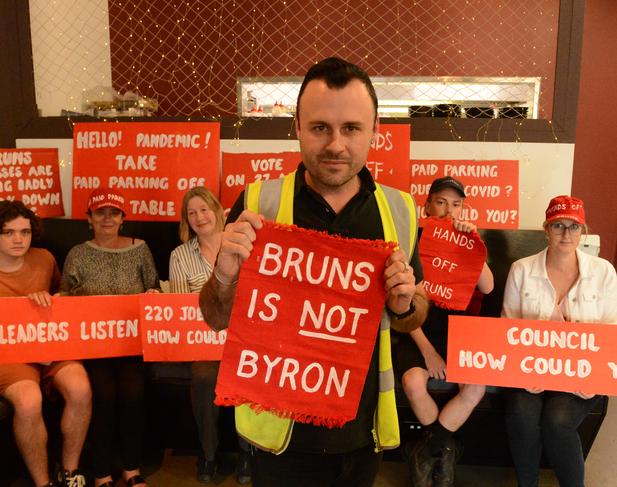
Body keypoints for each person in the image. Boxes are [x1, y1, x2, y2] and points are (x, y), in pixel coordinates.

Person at [198, 57, 429, 487]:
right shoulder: (256, 204)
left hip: (363, 435)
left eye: (352, 128)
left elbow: (415, 311)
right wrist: (226, 277)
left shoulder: (400, 210)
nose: (336, 144)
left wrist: (404, 304)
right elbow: (215, 318)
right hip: (280, 439)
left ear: (376, 131)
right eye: (320, 127)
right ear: (298, 127)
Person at [0, 200, 91, 487]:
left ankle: (70, 472)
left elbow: (63, 300)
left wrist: (53, 301)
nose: (18, 239)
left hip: (48, 346)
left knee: (80, 388)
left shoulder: (45, 258)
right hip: (3, 355)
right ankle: (42, 482)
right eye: (9, 232)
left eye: (24, 232)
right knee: (28, 399)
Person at [502, 195, 617, 487]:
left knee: (557, 423)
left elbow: (611, 330)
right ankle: (527, 484)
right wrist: (524, 373)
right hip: (528, 368)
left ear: (583, 231)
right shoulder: (521, 270)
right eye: (558, 225)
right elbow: (508, 329)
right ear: (546, 229)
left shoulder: (603, 272)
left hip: (582, 373)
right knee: (522, 418)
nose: (566, 234)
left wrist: (591, 379)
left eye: (574, 226)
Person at [60, 188, 160, 487]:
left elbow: (153, 288)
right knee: (101, 397)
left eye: (114, 212)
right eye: (100, 212)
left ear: (122, 219)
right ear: (89, 218)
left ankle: (131, 469)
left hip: (132, 343)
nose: (107, 218)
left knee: (133, 395)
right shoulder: (78, 253)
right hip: (93, 345)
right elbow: (65, 296)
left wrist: (154, 296)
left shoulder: (140, 248)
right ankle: (101, 473)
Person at [400, 176, 494, 487]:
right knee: (413, 382)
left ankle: (429, 449)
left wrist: (473, 242)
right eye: (441, 202)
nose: (448, 210)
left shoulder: (468, 241)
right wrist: (428, 352)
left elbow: (488, 285)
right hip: (419, 332)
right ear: (427, 205)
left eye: (456, 204)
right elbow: (404, 309)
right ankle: (447, 448)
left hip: (461, 333)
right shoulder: (413, 239)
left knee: (476, 388)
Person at [169, 187, 251, 484]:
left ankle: (248, 451)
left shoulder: (243, 247)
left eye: (203, 209)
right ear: (185, 221)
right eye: (191, 213)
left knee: (247, 373)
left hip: (242, 340)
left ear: (217, 210)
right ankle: (208, 452)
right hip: (203, 343)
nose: (199, 217)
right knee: (203, 377)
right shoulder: (180, 255)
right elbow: (180, 308)